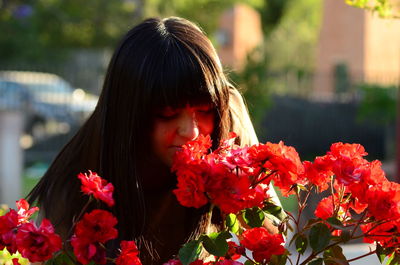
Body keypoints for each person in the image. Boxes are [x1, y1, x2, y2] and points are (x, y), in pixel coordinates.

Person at [28, 17, 281, 265]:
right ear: (130, 115)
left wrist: (237, 189)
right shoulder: (74, 190)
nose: (191, 131)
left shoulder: (227, 117)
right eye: (168, 114)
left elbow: (272, 240)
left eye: (203, 111)